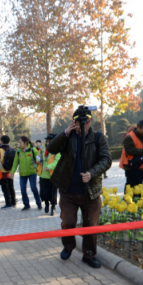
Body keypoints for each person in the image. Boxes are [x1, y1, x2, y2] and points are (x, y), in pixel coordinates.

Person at [48, 107, 112, 268]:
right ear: (73, 122)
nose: (83, 126)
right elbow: (51, 149)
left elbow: (106, 159)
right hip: (68, 190)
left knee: (90, 225)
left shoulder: (98, 138)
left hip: (91, 192)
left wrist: (92, 173)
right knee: (68, 222)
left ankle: (89, 255)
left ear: (91, 121)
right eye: (78, 123)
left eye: (86, 123)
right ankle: (68, 246)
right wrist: (65, 133)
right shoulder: (68, 137)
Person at [11, 137, 43, 211]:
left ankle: (39, 203)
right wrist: (12, 173)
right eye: (19, 142)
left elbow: (39, 158)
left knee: (33, 188)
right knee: (22, 190)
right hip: (22, 174)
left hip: (32, 173)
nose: (19, 144)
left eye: (20, 142)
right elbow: (15, 162)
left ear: (25, 143)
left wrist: (39, 161)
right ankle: (26, 204)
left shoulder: (32, 150)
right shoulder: (18, 151)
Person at [120, 119, 143, 189]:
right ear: (138, 127)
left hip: (139, 164)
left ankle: (126, 199)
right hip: (130, 165)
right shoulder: (129, 137)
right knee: (137, 185)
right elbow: (130, 150)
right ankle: (136, 199)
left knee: (130, 185)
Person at [40, 135, 61, 215]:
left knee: (52, 193)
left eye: (49, 141)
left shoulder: (57, 151)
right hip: (43, 175)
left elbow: (57, 162)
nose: (47, 142)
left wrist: (49, 167)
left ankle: (53, 207)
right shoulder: (43, 150)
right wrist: (39, 160)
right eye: (47, 141)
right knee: (44, 193)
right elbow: (39, 157)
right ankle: (46, 204)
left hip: (52, 176)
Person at [0, 135, 16, 209]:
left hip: (2, 172)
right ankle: (13, 202)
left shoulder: (0, 150)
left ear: (2, 141)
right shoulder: (12, 149)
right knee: (11, 187)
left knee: (5, 188)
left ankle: (8, 203)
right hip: (10, 171)